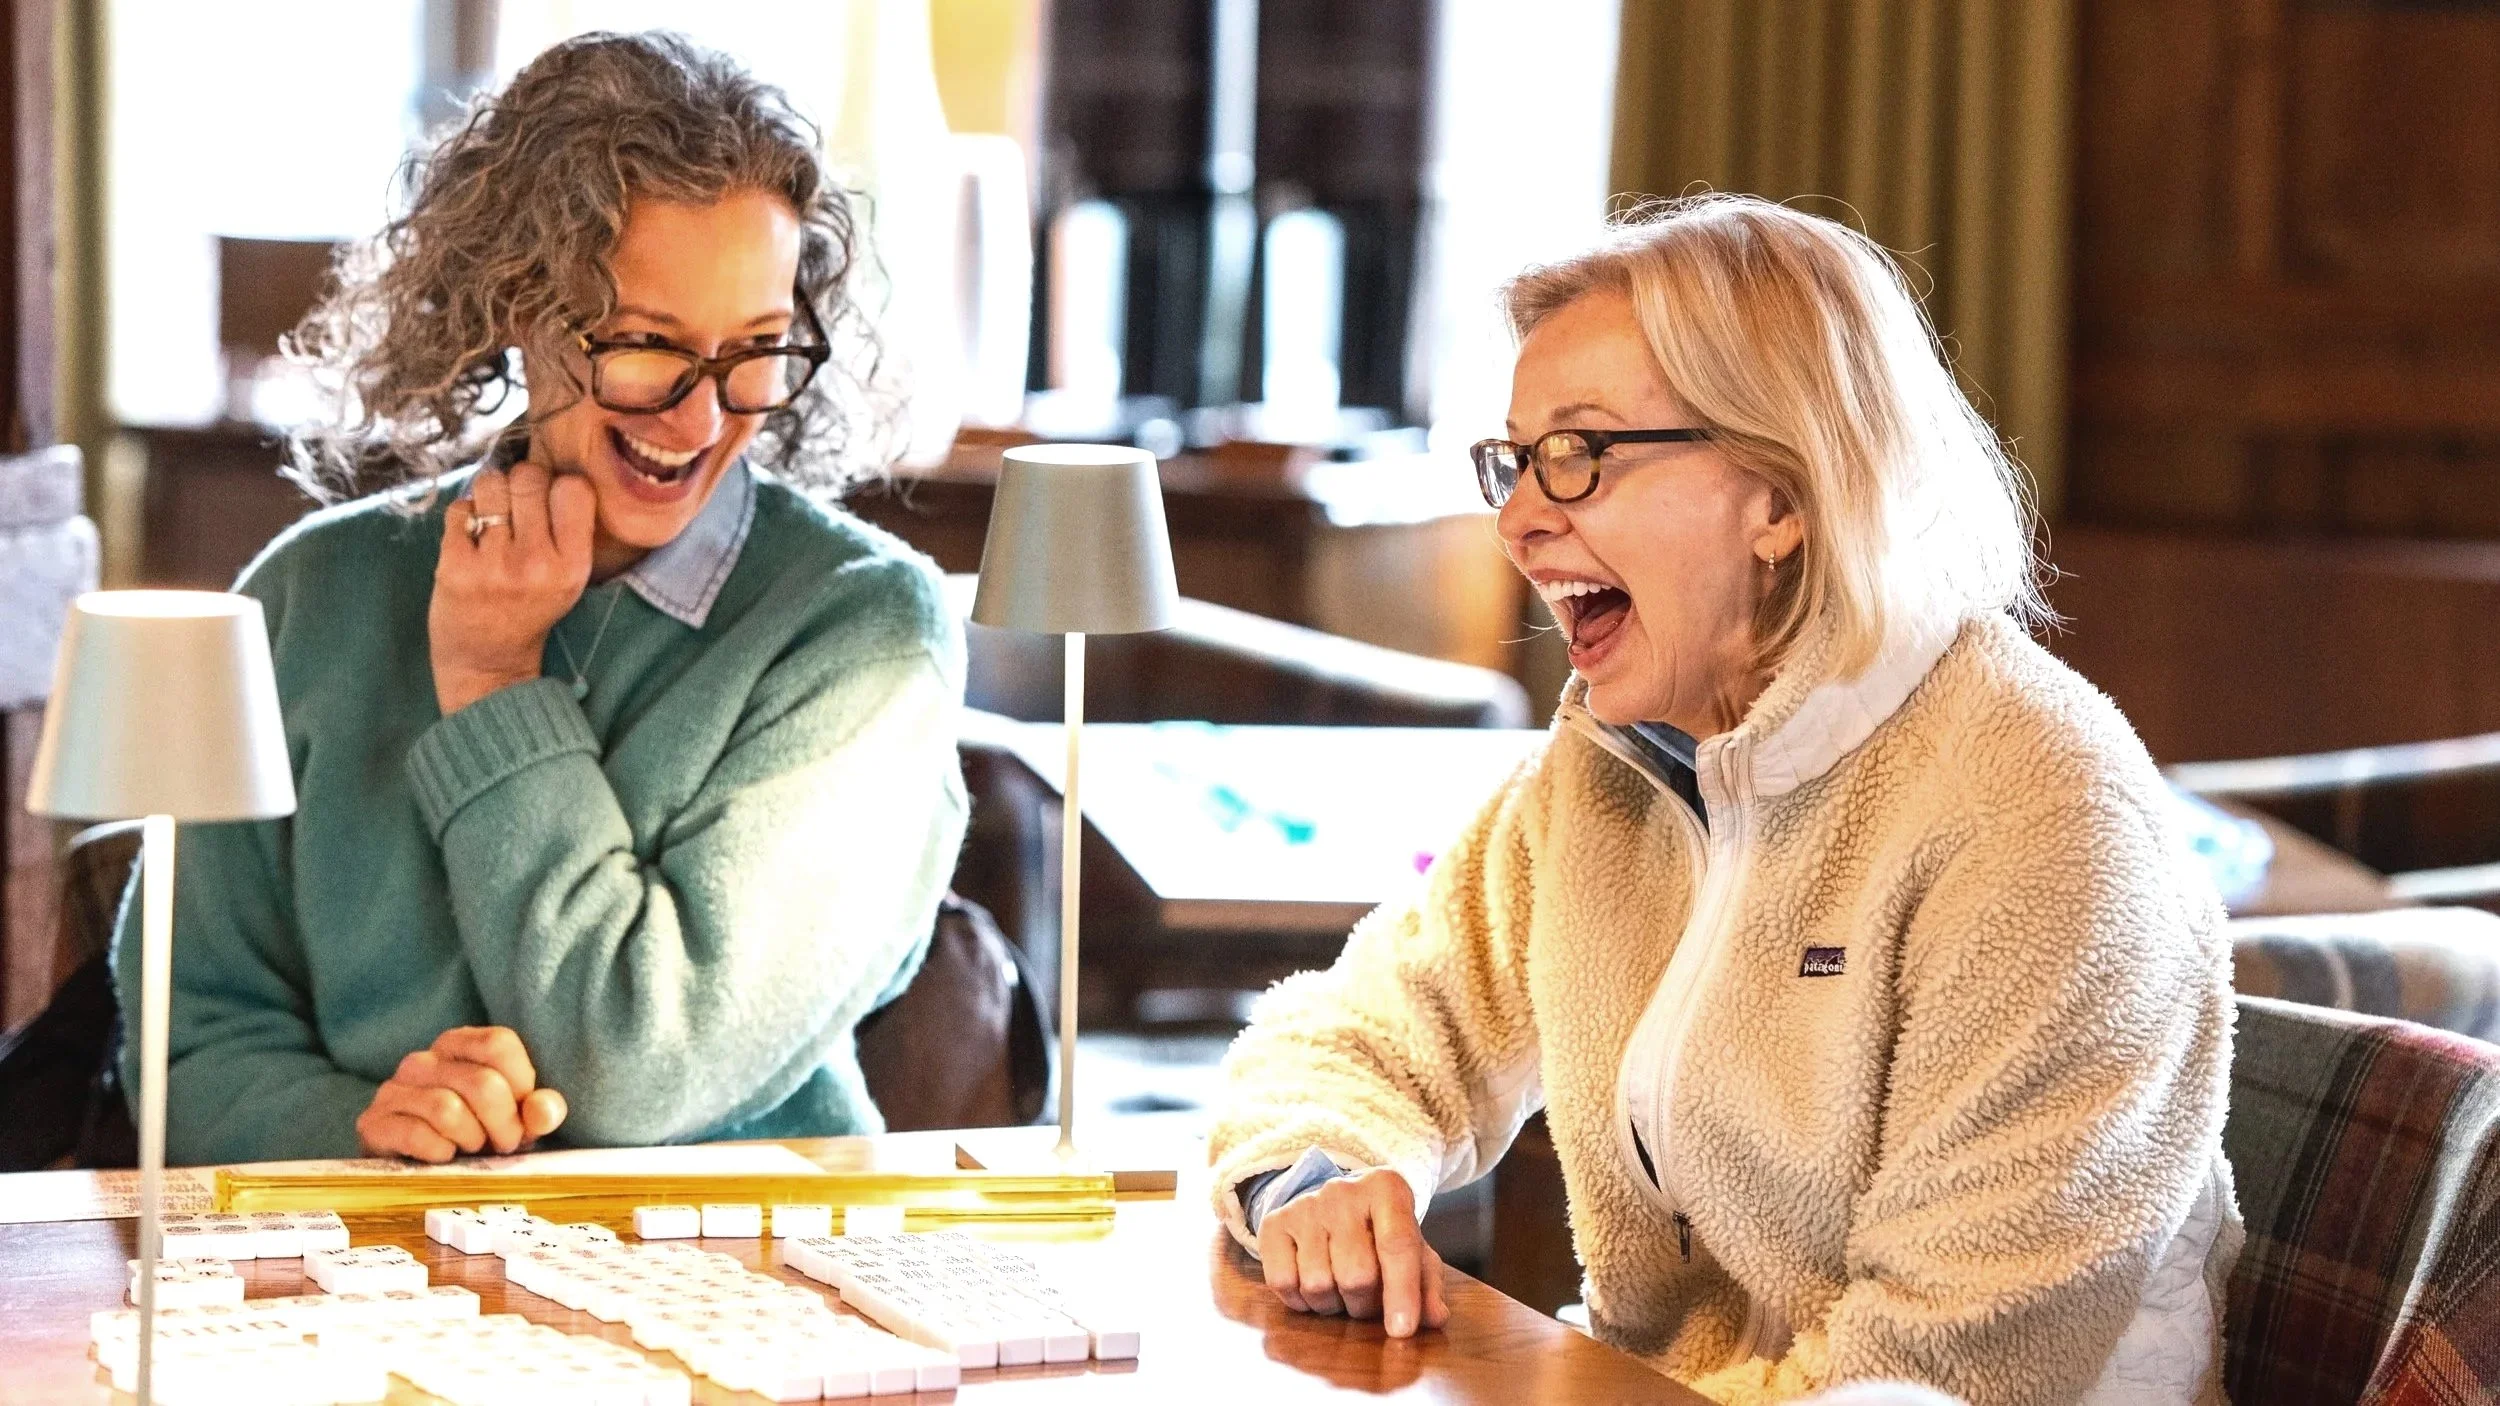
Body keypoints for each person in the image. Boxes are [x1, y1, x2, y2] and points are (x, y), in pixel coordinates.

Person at [1208, 196, 2238, 1406]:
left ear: (1781, 496)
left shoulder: (2043, 815)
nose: (1523, 515)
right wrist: (1319, 1172)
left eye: (1580, 453)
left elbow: (1947, 1368)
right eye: (1517, 458)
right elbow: (1363, 1028)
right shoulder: (1611, 763)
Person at [114, 32, 968, 1165]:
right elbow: (184, 1044)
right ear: (519, 305)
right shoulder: (306, 595)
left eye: (756, 350)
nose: (701, 418)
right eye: (645, 346)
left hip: (747, 1283)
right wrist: (368, 1132)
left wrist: (492, 681)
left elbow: (640, 1070)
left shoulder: (865, 634)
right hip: (348, 1284)